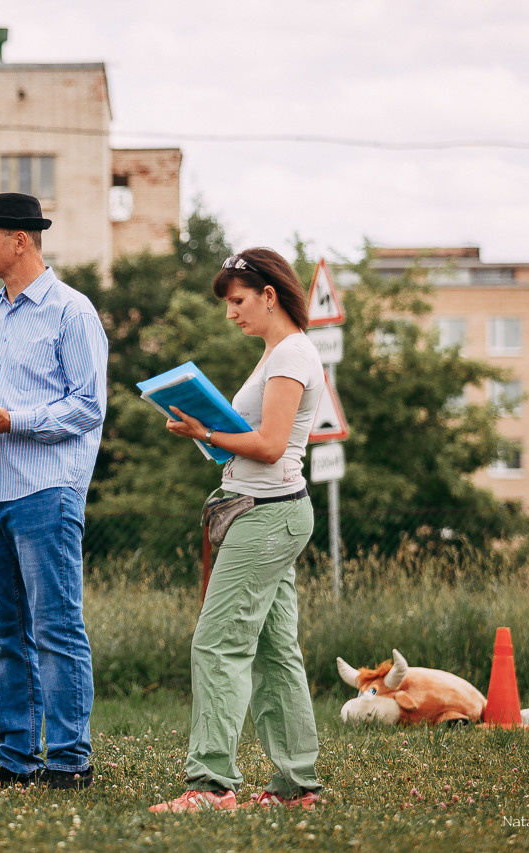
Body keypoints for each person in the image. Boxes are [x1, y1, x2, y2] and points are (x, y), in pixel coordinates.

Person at [149, 248, 326, 813]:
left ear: (269, 294)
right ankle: (297, 787)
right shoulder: (276, 352)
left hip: (268, 514)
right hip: (266, 509)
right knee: (275, 652)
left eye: (237, 300)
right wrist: (208, 433)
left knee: (218, 642)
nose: (231, 313)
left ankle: (210, 786)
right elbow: (258, 439)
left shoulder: (291, 355)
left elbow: (272, 446)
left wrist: (208, 432)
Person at [0, 192, 109, 790]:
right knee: (2, 635)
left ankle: (69, 762)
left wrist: (10, 420)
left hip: (46, 490)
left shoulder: (73, 312)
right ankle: (17, 759)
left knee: (57, 629)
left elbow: (89, 407)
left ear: (21, 240)